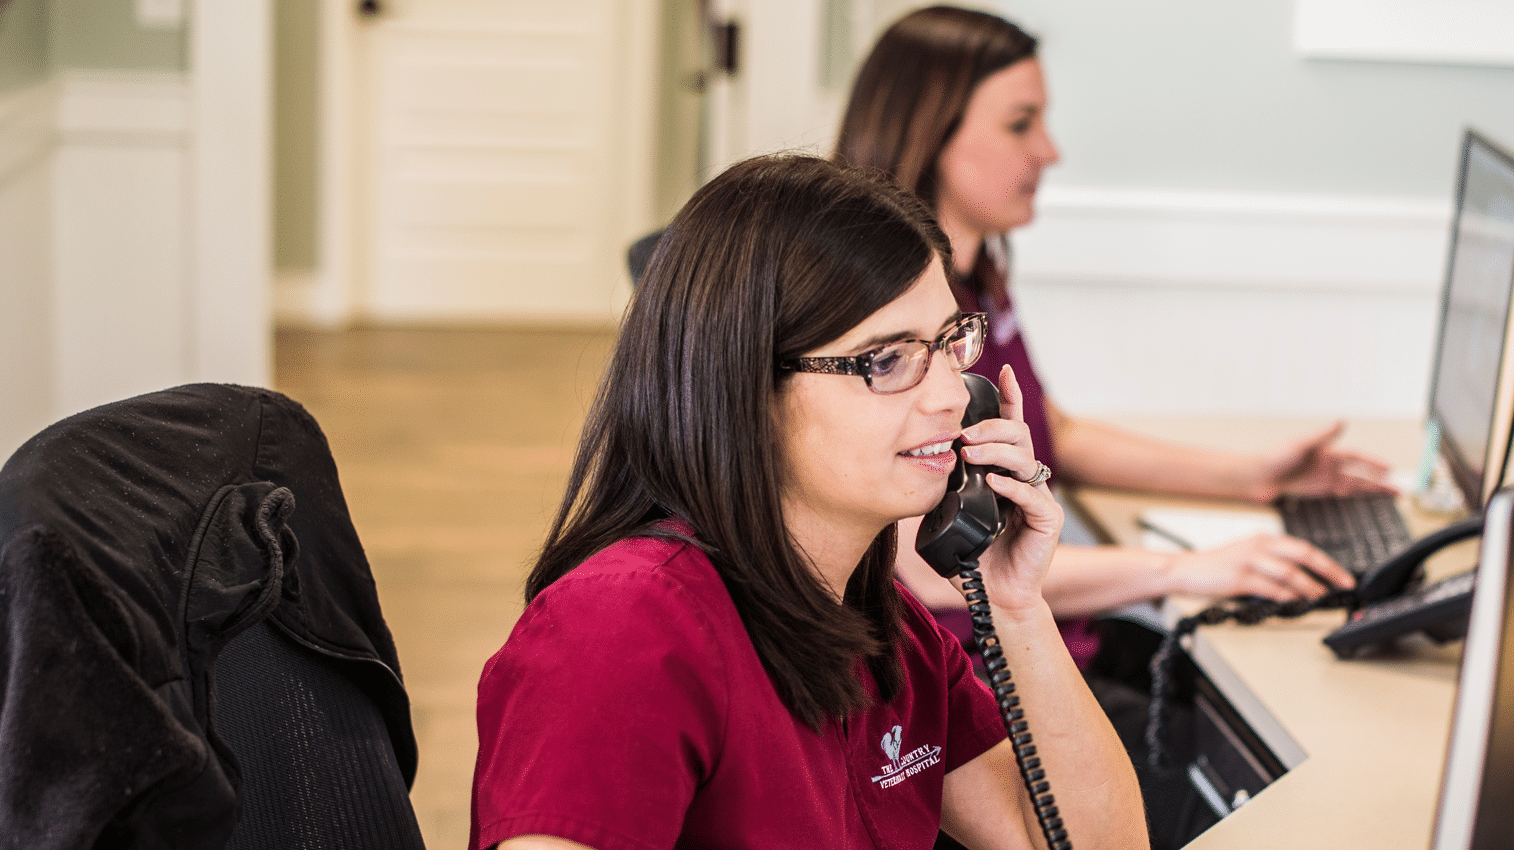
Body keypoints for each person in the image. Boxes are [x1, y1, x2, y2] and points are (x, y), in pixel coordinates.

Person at [471, 154, 1147, 850]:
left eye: (948, 343)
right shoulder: (618, 632)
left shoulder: (887, 631)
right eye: (886, 360)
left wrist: (1016, 606)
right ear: (744, 389)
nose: (951, 394)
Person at [835, 6, 1393, 666]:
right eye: (1020, 124)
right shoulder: (889, 319)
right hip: (969, 671)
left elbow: (1055, 432)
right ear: (930, 136)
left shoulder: (976, 277)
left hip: (1049, 636)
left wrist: (1249, 477)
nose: (1049, 150)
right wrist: (1183, 570)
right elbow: (928, 568)